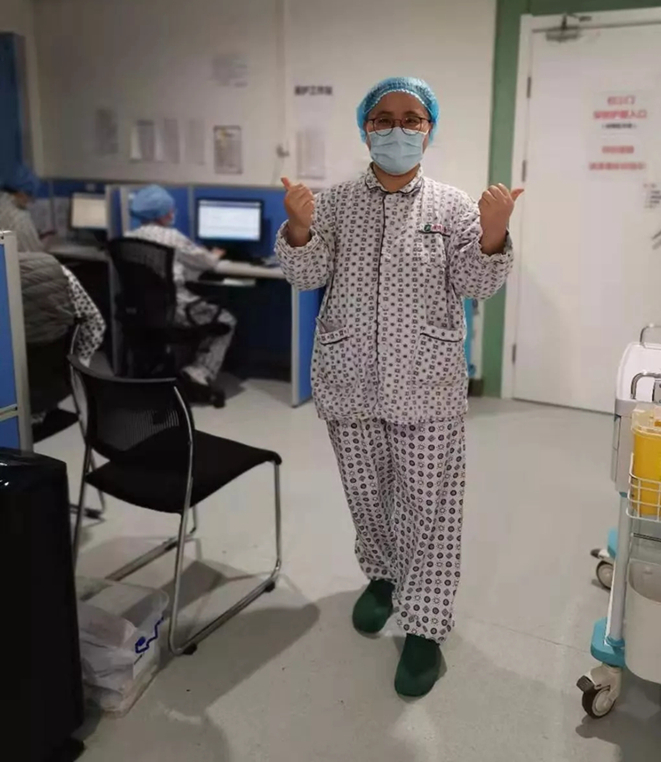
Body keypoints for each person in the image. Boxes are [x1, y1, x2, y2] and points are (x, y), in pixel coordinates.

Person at [276, 76, 521, 698]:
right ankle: (383, 576)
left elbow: (475, 284)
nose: (397, 129)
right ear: (365, 128)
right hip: (349, 378)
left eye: (412, 118)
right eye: (383, 118)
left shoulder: (453, 206)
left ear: (429, 129)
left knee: (428, 507)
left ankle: (425, 626)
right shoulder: (334, 204)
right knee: (366, 494)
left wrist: (493, 232)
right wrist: (299, 228)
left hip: (426, 383)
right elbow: (306, 276)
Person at [127, 184, 235, 407]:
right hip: (177, 309)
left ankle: (178, 371)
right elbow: (205, 261)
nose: (172, 213)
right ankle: (199, 372)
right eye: (170, 209)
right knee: (227, 320)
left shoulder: (129, 237)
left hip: (144, 310)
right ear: (162, 213)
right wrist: (215, 254)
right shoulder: (171, 237)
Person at [19, 251, 106, 424]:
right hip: (61, 383)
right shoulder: (56, 269)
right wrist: (78, 368)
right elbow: (95, 324)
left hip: (13, 404)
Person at [0, 163, 44, 252]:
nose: (30, 201)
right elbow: (34, 255)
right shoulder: (18, 217)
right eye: (30, 195)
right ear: (21, 193)